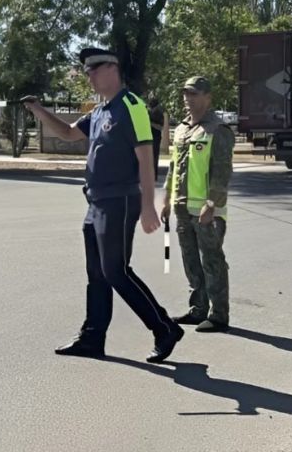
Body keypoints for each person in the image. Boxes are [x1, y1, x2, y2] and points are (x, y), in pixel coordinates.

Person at [23, 47, 184, 364]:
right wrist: (39, 111)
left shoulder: (132, 107)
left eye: (94, 69)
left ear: (113, 68)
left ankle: (164, 328)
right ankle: (92, 338)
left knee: (116, 271)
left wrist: (149, 205)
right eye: (86, 71)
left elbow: (145, 156)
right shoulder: (99, 112)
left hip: (120, 200)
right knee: (97, 274)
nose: (89, 76)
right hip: (95, 202)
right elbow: (69, 134)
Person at [161, 77, 234, 333]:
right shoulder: (181, 129)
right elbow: (174, 167)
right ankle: (198, 309)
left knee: (211, 261)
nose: (187, 99)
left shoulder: (217, 129)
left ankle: (218, 315)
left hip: (207, 210)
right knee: (191, 261)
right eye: (185, 94)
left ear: (207, 97)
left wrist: (212, 204)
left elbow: (222, 171)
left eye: (193, 94)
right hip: (182, 207)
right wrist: (167, 198)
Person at [147, 96, 166, 181]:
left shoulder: (158, 113)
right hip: (146, 138)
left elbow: (160, 127)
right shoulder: (147, 111)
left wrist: (150, 123)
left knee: (154, 157)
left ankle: (153, 177)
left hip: (155, 138)